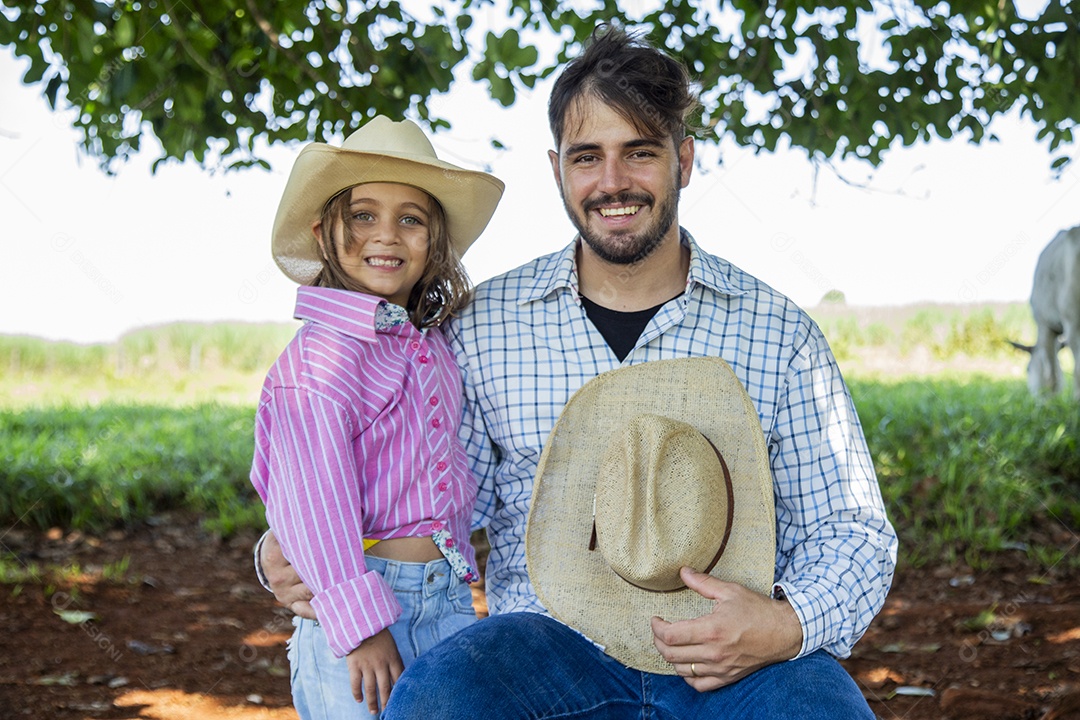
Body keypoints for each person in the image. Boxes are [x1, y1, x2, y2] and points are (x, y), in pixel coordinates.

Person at [262, 25, 897, 718]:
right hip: (542, 653)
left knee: (822, 711)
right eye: (587, 156)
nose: (612, 182)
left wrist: (784, 625)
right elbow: (414, 481)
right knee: (440, 700)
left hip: (736, 662)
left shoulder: (778, 334)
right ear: (558, 167)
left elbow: (853, 528)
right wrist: (287, 544)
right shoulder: (481, 328)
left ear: (683, 160)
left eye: (641, 153)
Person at [249, 115, 503, 718]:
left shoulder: (426, 345)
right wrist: (360, 626)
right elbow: (313, 502)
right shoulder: (319, 361)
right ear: (322, 231)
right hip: (364, 597)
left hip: (446, 601)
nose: (385, 235)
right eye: (363, 215)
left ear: (433, 242)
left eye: (410, 219)